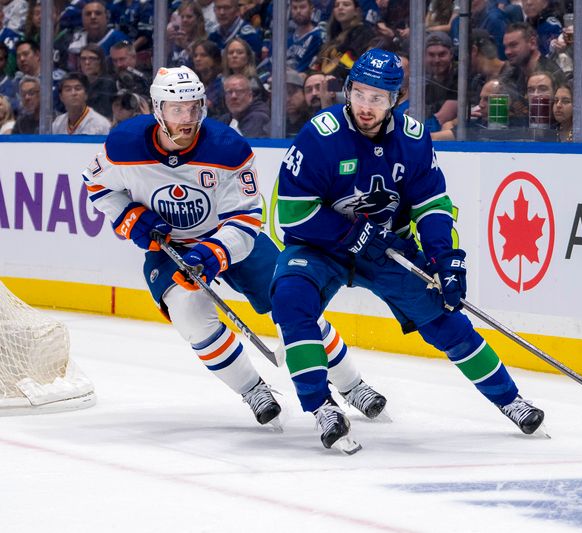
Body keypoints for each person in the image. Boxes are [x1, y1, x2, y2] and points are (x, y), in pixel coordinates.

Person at [81, 65, 388, 430]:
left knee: (294, 304)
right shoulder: (123, 144)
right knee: (191, 317)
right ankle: (253, 389)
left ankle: (352, 385)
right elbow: (97, 186)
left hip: (232, 240)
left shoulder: (227, 148)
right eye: (177, 110)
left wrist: (213, 252)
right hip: (171, 248)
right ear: (157, 109)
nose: (187, 119)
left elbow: (245, 219)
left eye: (194, 108)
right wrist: (133, 218)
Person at [272, 49, 545, 452]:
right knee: (292, 301)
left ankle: (511, 400)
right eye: (361, 94)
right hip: (320, 247)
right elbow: (293, 214)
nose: (367, 107)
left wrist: (444, 259)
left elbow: (432, 205)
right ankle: (321, 407)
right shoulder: (320, 135)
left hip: (386, 247)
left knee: (446, 321)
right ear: (348, 90)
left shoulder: (413, 139)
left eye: (378, 98)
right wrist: (351, 236)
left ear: (395, 100)